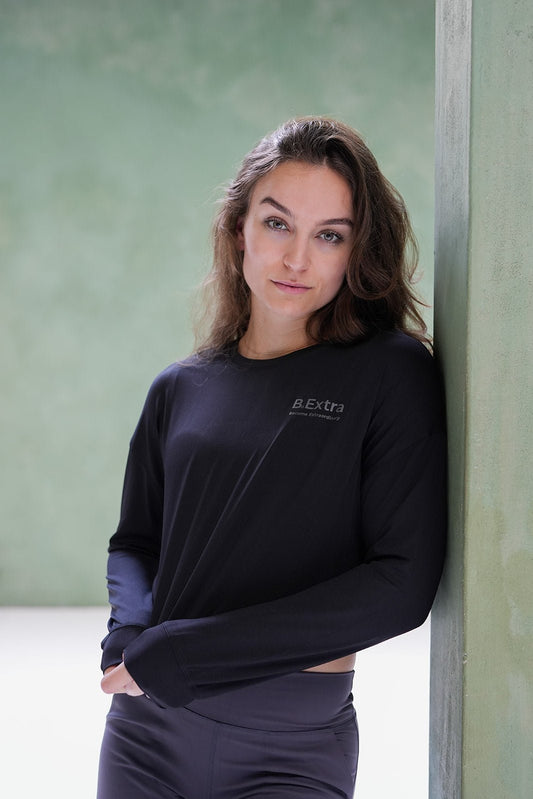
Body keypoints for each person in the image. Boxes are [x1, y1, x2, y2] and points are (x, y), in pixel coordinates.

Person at [97, 116, 447, 799]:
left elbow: (400, 586)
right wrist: (128, 632)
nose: (296, 260)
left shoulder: (390, 373)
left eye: (329, 235)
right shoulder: (180, 386)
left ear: (356, 250)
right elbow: (136, 541)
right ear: (239, 229)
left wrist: (188, 653)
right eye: (277, 223)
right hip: (145, 737)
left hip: (290, 749)